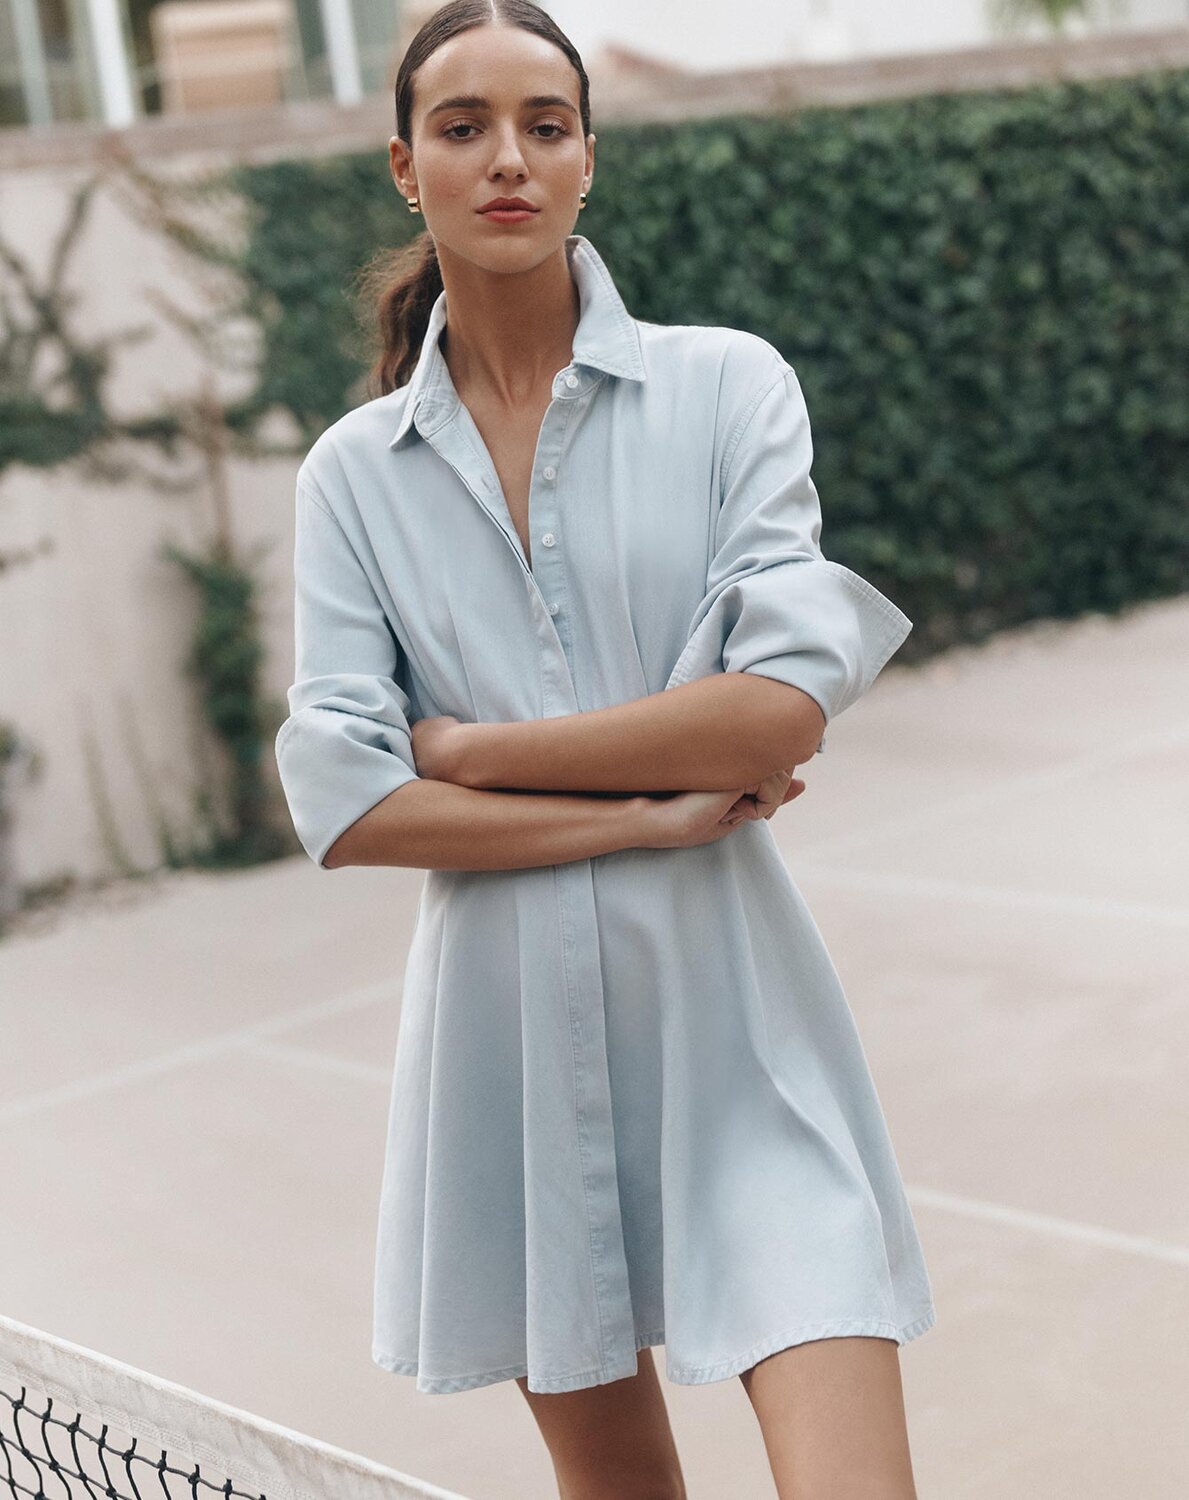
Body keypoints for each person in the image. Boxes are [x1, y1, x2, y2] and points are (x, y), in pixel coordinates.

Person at [273, 1, 937, 1495]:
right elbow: (344, 802)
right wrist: (644, 811)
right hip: (507, 1066)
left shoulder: (728, 388)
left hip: (742, 1043)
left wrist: (474, 754)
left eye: (545, 124)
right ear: (404, 168)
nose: (507, 157)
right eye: (463, 127)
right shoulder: (352, 481)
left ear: (586, 160)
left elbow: (776, 707)